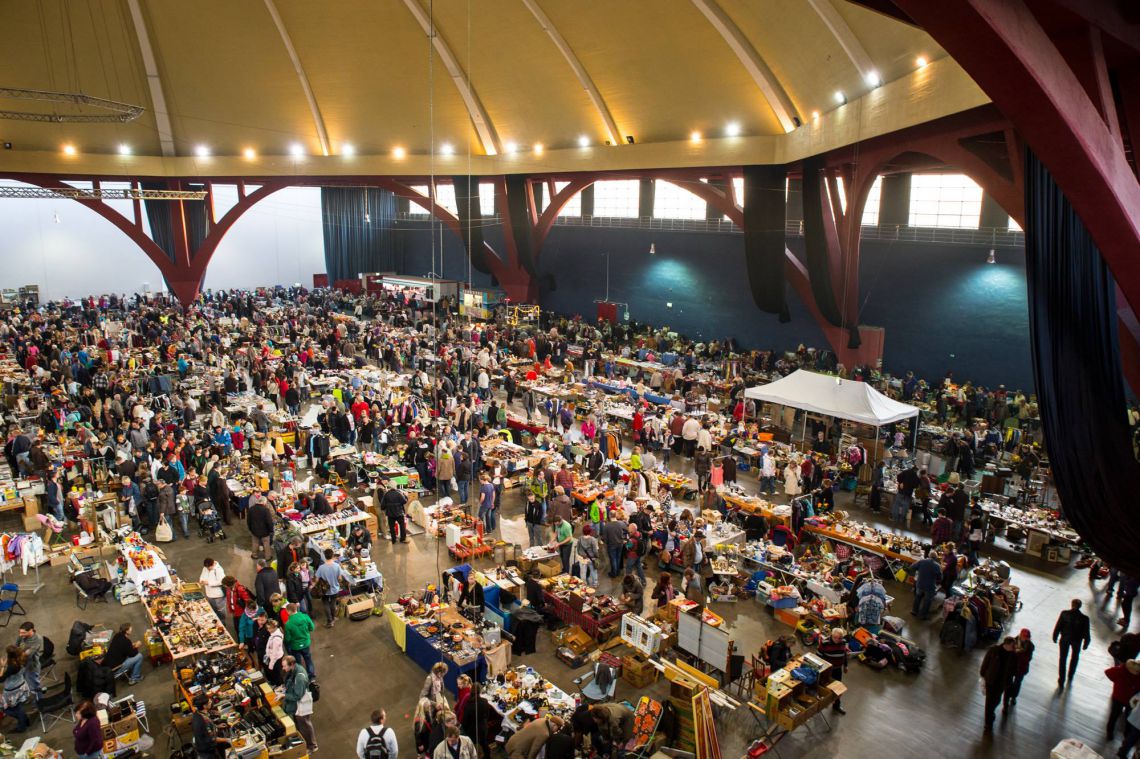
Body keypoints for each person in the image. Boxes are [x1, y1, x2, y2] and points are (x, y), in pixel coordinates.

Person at [980, 637, 1018, 732]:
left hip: (1002, 683)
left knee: (996, 700)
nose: (1014, 647)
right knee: (989, 702)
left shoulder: (1013, 655)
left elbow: (1014, 668)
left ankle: (991, 713)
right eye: (1012, 645)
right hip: (991, 680)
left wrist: (1010, 679)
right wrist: (983, 673)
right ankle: (988, 724)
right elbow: (986, 661)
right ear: (1007, 644)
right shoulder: (994, 650)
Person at [281, 655, 317, 753]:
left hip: (302, 705)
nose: (283, 668)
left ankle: (312, 746)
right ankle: (305, 743)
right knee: (301, 725)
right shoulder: (294, 670)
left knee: (305, 724)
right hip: (297, 705)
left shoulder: (299, 677)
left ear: (292, 664)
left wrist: (284, 695)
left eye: (284, 666)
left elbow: (297, 696)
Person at [1054, 598, 1092, 687]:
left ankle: (1061, 678)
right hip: (1077, 640)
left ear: (1072, 604)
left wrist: (1055, 635)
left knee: (1063, 658)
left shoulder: (1064, 614)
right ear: (1080, 606)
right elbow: (1086, 632)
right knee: (1074, 658)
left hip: (1065, 639)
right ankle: (1071, 674)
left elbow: (1058, 625)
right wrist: (1086, 642)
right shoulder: (1084, 618)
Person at [315, 548, 351, 628]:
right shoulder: (337, 566)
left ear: (324, 556)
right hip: (335, 589)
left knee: (326, 604)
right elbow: (340, 578)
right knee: (333, 603)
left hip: (325, 591)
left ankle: (330, 621)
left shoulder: (321, 567)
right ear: (332, 556)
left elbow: (316, 579)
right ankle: (334, 617)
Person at [1105, 659, 1140, 740]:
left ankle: (1110, 733)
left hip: (1119, 697)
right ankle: (1126, 735)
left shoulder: (1121, 670)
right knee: (1128, 718)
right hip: (1131, 701)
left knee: (1114, 715)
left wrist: (1116, 682)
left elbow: (1108, 672)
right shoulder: (1137, 676)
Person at [817, 628, 849, 715]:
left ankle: (836, 706)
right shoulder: (824, 643)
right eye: (836, 638)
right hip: (827, 671)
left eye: (840, 638)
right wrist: (822, 669)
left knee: (837, 689)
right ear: (832, 635)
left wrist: (845, 665)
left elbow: (844, 654)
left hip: (838, 670)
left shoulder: (843, 641)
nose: (838, 640)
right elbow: (819, 656)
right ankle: (818, 706)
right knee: (822, 688)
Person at [0, 646, 29, 733]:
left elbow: (1, 679)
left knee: (7, 708)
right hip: (21, 685)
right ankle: (25, 720)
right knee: (18, 706)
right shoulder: (23, 659)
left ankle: (22, 725)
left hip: (12, 690)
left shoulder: (12, 667)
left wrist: (2, 667)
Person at [907, 550, 943, 620]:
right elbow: (940, 578)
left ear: (929, 555)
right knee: (927, 601)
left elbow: (912, 567)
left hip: (920, 584)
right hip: (930, 586)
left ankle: (914, 611)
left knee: (918, 597)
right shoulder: (937, 566)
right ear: (936, 558)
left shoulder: (922, 561)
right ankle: (923, 615)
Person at [284, 602, 316, 678]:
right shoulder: (305, 616)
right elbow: (312, 627)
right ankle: (311, 675)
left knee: (298, 662)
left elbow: (288, 639)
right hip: (306, 643)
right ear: (296, 609)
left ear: (288, 611)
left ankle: (301, 676)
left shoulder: (288, 624)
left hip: (295, 646)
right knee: (308, 659)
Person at [191, 693, 228, 759]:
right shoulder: (203, 721)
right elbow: (212, 739)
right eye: (209, 702)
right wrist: (228, 740)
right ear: (204, 706)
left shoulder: (197, 713)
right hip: (206, 750)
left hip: (201, 744)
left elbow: (206, 729)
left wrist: (216, 726)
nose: (211, 701)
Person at [1005, 628, 1035, 708]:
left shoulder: (1030, 646)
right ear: (1021, 636)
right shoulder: (1013, 642)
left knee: (1017, 683)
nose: (1026, 639)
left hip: (1021, 668)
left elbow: (1029, 658)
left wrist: (1020, 654)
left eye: (1027, 637)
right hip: (1012, 666)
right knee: (1009, 683)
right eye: (1025, 637)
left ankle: (1014, 697)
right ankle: (1007, 699)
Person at [15, 621, 42, 700]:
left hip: (32, 667)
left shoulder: (37, 639)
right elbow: (16, 646)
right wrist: (21, 653)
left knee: (35, 685)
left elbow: (28, 655)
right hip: (22, 664)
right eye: (20, 632)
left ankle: (39, 701)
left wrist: (20, 653)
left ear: (31, 630)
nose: (20, 635)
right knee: (24, 682)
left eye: (23, 633)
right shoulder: (22, 636)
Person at [246, 494, 275, 559]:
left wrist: (250, 529)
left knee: (255, 543)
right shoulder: (266, 510)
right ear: (264, 502)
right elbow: (269, 522)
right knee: (266, 544)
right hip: (265, 532)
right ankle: (268, 557)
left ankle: (254, 555)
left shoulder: (251, 509)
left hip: (254, 530)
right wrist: (271, 530)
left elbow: (248, 521)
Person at [264, 619, 285, 685]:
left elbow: (274, 654)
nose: (268, 630)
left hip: (276, 659)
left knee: (277, 674)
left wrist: (271, 664)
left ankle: (279, 685)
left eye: (269, 628)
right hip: (276, 656)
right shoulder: (274, 634)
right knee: (276, 673)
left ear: (274, 628)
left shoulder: (276, 639)